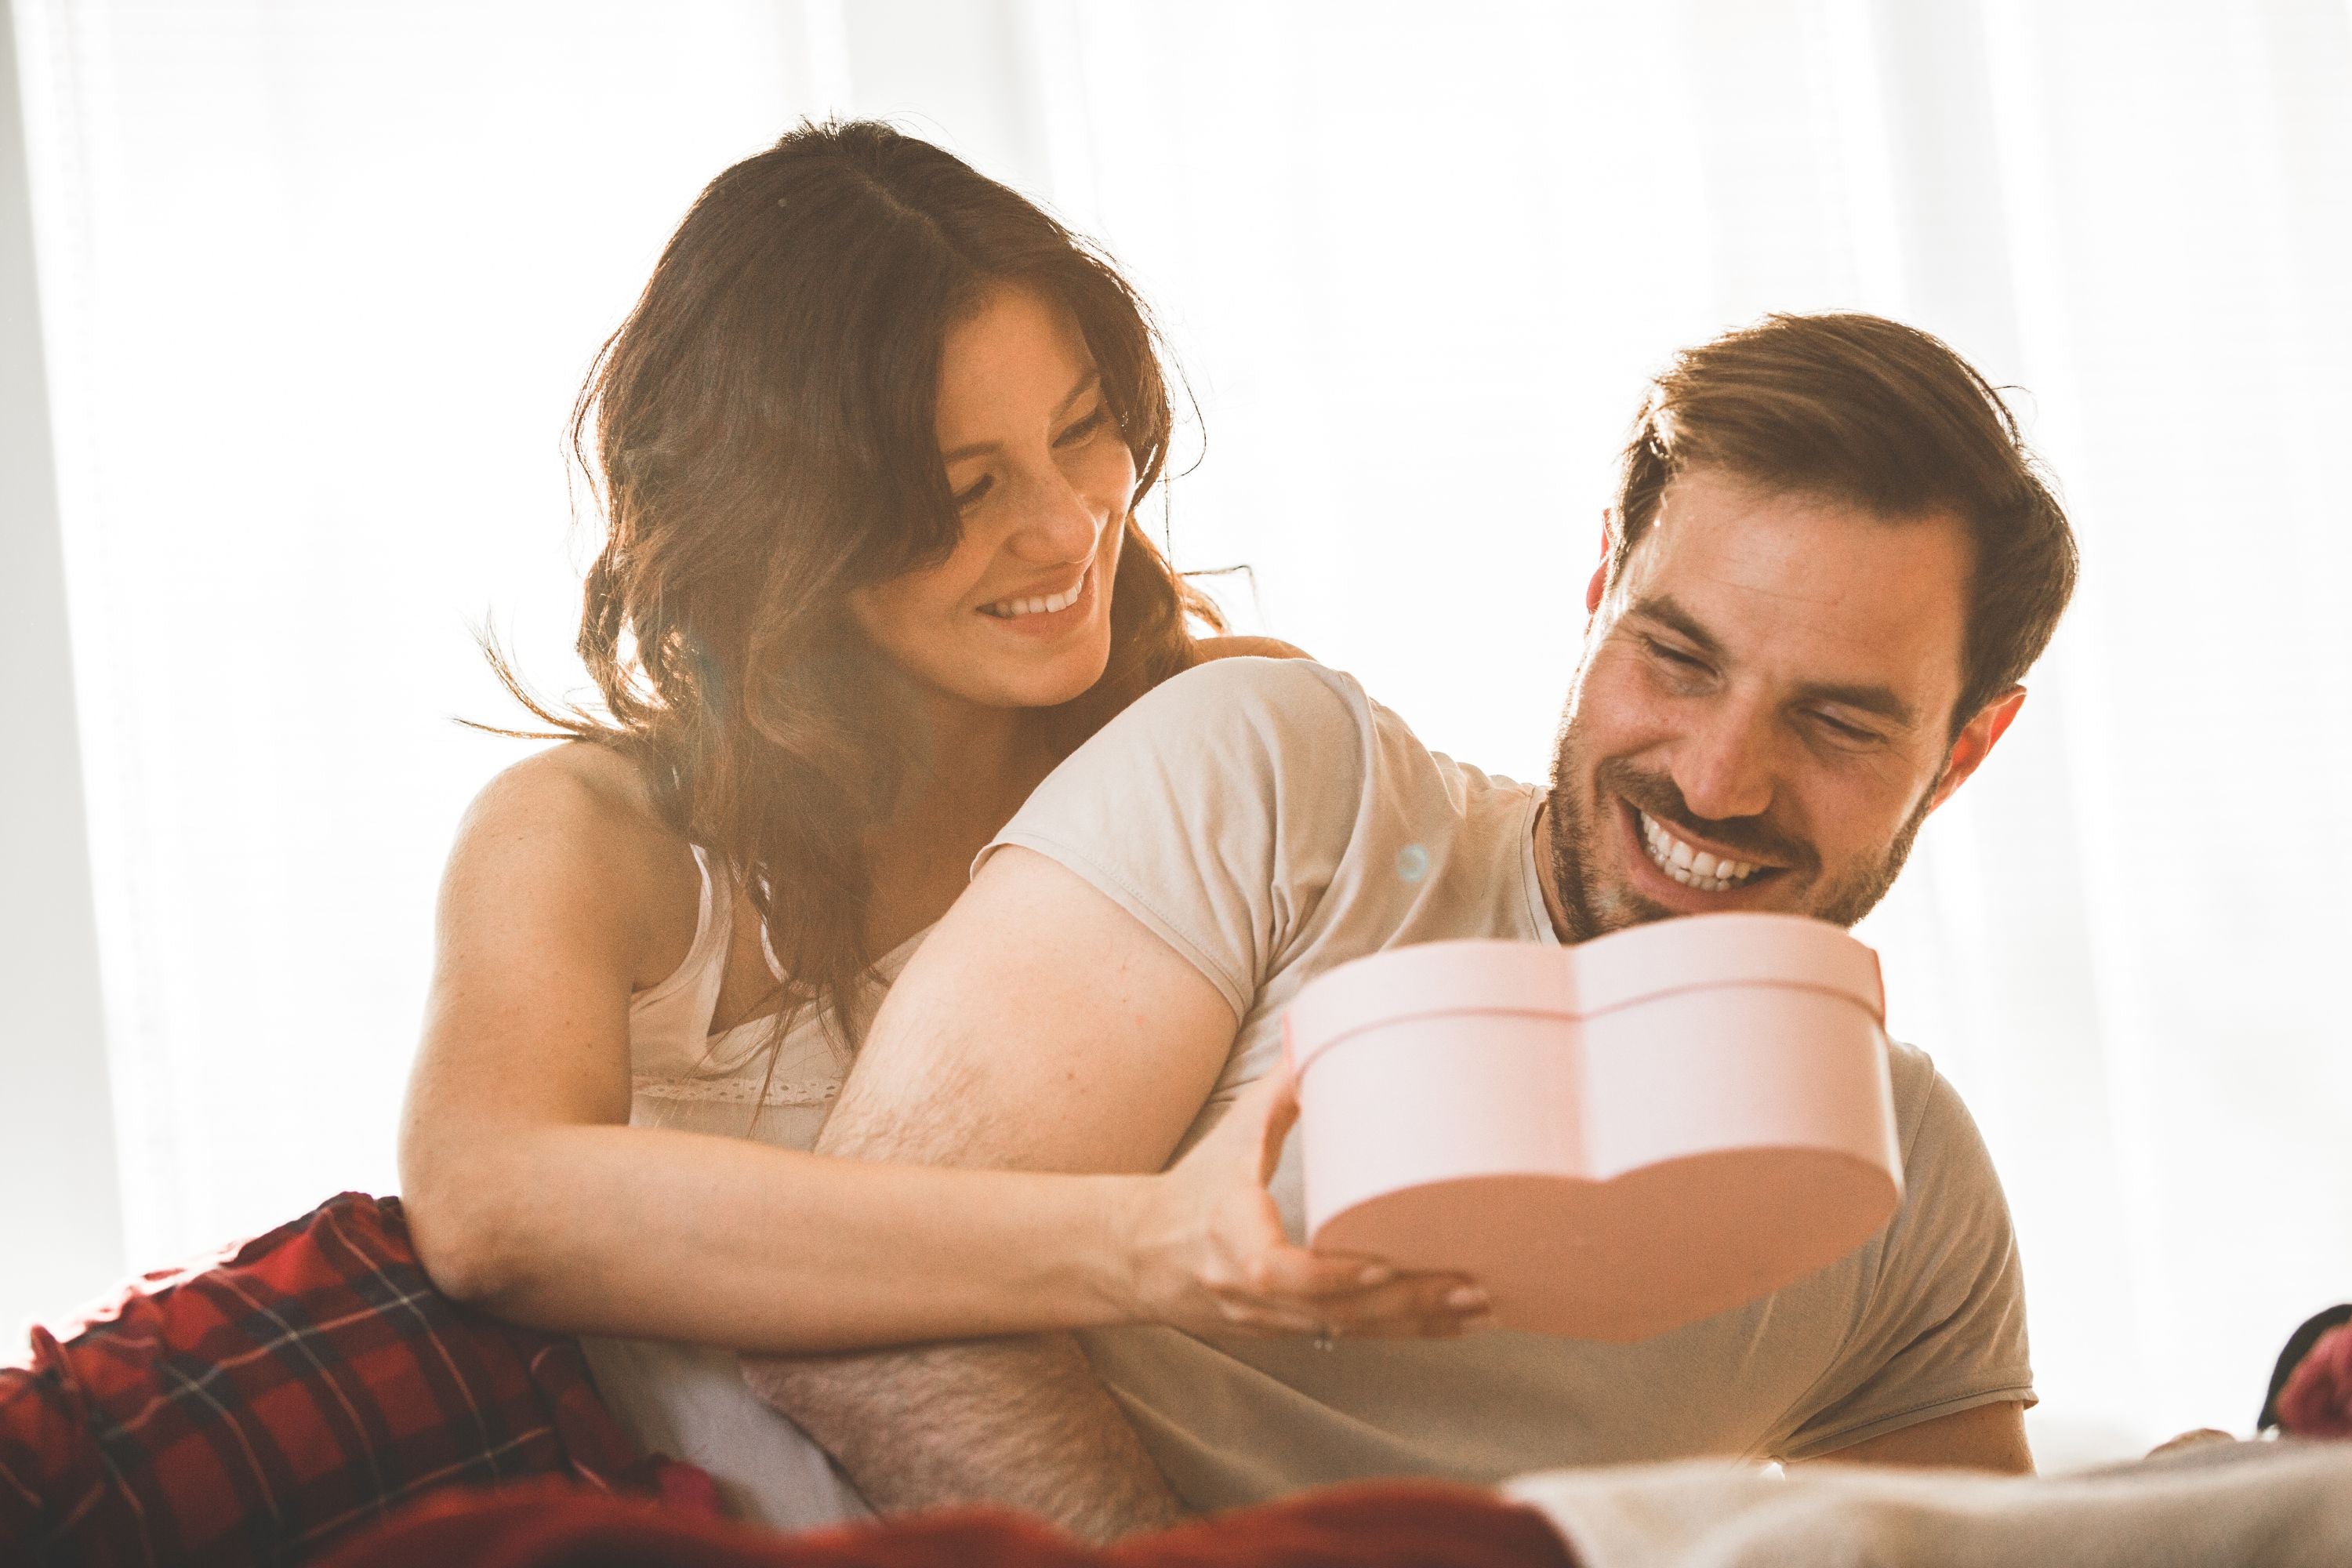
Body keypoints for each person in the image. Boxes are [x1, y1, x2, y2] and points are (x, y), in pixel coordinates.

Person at [744, 313, 2082, 1539]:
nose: (1717, 780)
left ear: (1966, 749)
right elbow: (857, 1308)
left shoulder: (1911, 1183)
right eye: (1676, 659)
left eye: (1839, 720)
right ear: (1603, 582)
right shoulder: (1283, 782)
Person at [395, 121, 1481, 1531]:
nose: (1068, 526)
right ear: (778, 525)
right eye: (964, 491)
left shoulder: (1215, 744)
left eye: (1083, 430)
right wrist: (1144, 1246)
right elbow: (491, 1204)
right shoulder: (594, 839)